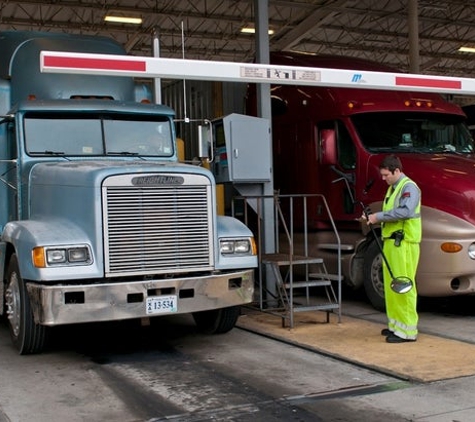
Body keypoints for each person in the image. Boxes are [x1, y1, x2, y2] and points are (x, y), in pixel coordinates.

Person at [363, 155, 421, 343]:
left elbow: (405, 212)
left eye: (386, 174)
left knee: (403, 286)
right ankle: (396, 326)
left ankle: (408, 332)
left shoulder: (408, 187)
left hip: (403, 244)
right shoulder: (393, 188)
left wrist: (377, 217)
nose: (383, 178)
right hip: (393, 243)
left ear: (397, 171)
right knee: (393, 286)